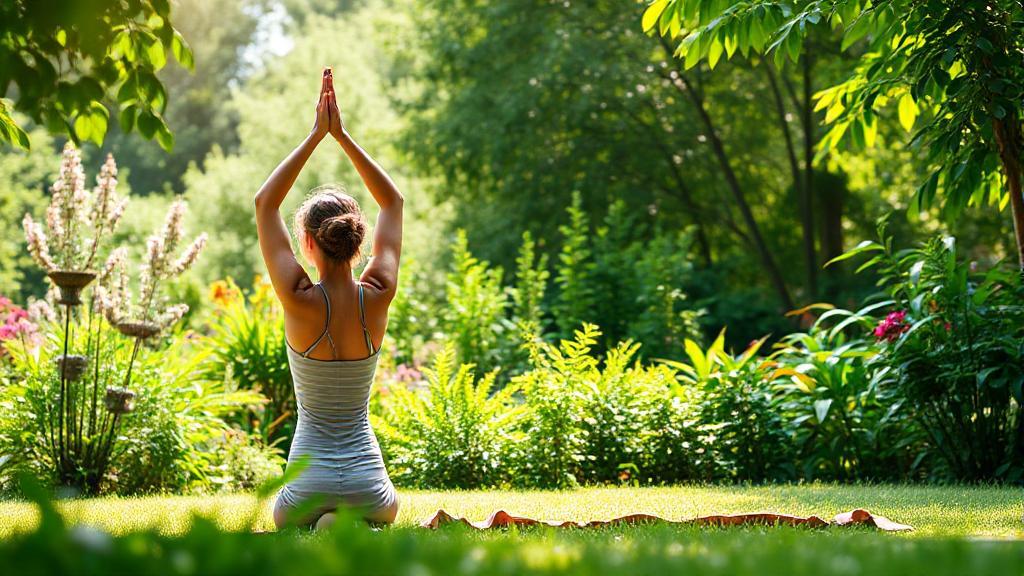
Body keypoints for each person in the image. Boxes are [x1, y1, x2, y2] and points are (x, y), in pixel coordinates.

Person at [255, 68, 403, 529]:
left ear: (309, 244)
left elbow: (265, 204)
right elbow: (393, 204)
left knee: (284, 515)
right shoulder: (377, 295)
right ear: (357, 244)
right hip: (369, 488)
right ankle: (350, 523)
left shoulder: (299, 299)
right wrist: (343, 136)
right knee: (388, 507)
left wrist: (316, 135)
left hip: (307, 487)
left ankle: (323, 524)